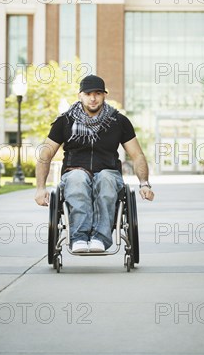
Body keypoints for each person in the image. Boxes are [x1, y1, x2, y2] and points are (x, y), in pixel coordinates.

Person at [35, 74, 154, 253]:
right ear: (80, 95)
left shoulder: (118, 121)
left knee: (105, 178)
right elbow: (46, 154)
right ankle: (79, 237)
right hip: (74, 170)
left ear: (104, 95)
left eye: (97, 93)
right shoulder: (65, 121)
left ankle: (100, 237)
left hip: (108, 171)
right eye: (88, 93)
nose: (93, 98)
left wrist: (144, 184)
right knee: (77, 178)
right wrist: (40, 188)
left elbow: (137, 155)